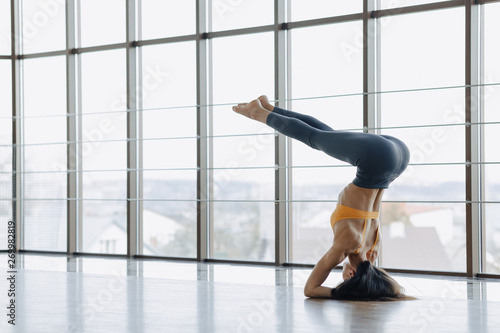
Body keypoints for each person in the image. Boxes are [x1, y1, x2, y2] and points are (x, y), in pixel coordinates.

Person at [233, 96, 412, 301]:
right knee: (313, 137)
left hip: (397, 157)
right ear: (352, 275)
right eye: (345, 280)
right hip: (375, 159)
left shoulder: (372, 250)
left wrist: (364, 288)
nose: (342, 277)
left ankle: (270, 109)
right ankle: (260, 113)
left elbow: (374, 283)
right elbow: (311, 289)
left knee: (325, 135)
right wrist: (344, 293)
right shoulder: (346, 246)